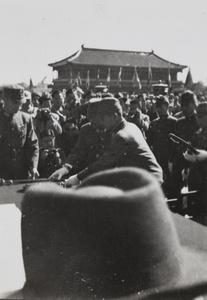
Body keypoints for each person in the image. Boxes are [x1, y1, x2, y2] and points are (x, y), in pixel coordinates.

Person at [63, 97, 163, 187]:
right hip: (145, 178)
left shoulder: (122, 135)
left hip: (147, 181)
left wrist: (77, 178)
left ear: (115, 116)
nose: (101, 122)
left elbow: (104, 163)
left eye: (103, 118)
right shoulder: (129, 126)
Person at [49, 99, 112, 181]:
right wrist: (66, 168)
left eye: (95, 118)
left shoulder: (113, 130)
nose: (91, 121)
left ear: (103, 117)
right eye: (89, 118)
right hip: (91, 176)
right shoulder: (86, 129)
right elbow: (78, 151)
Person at [0, 85, 39, 180]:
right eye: (15, 102)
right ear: (5, 99)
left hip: (21, 174)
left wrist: (33, 166)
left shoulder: (26, 119)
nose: (18, 106)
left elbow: (33, 145)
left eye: (20, 103)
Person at [170, 90, 200, 197]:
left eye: (187, 105)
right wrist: (171, 160)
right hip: (179, 162)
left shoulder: (200, 121)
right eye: (182, 105)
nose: (184, 109)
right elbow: (175, 143)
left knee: (193, 194)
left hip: (194, 163)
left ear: (194, 103)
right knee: (175, 192)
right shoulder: (180, 122)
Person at [147, 95, 177, 197]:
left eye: (161, 106)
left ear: (167, 106)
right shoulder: (154, 123)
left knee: (171, 188)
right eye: (157, 106)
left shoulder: (174, 122)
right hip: (158, 160)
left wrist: (172, 160)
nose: (158, 109)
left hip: (170, 160)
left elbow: (176, 143)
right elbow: (149, 141)